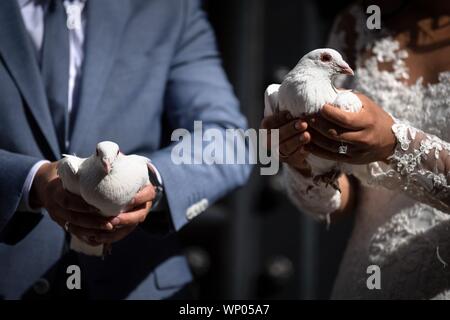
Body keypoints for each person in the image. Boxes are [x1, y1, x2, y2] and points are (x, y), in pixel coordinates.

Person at [0, 0, 251, 299]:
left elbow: (228, 139)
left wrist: (150, 180)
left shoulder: (170, 9)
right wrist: (30, 181)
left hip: (136, 286)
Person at [262, 0, 450, 299]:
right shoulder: (355, 24)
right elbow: (346, 197)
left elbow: (387, 145)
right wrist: (305, 161)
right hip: (367, 277)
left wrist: (392, 144)